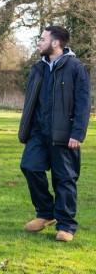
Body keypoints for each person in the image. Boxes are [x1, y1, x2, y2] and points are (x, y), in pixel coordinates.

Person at [18, 25, 91, 242]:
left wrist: (77, 133)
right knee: (29, 167)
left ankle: (66, 225)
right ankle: (45, 213)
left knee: (64, 179)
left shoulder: (76, 68)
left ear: (56, 43)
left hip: (64, 133)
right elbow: (31, 102)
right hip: (38, 133)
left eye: (42, 39)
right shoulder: (38, 68)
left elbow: (83, 104)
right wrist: (26, 131)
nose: (39, 42)